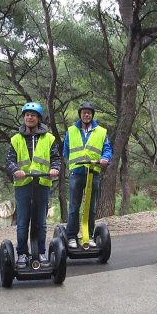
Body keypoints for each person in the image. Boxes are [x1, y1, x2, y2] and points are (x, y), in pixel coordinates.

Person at [5, 102, 60, 268]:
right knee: (22, 221)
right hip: (23, 184)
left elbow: (56, 158)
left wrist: (54, 169)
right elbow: (9, 160)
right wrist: (15, 170)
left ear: (38, 118)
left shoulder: (49, 138)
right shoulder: (16, 139)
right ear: (24, 118)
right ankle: (22, 253)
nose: (29, 117)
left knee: (41, 221)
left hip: (42, 183)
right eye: (27, 115)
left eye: (33, 115)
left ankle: (41, 252)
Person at [63, 101, 112, 249]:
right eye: (84, 112)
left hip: (93, 172)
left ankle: (89, 235)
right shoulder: (71, 130)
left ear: (92, 115)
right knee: (74, 206)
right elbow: (66, 151)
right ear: (80, 114)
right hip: (76, 173)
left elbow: (107, 149)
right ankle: (72, 236)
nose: (86, 115)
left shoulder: (101, 131)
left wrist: (105, 158)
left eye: (89, 112)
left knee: (91, 207)